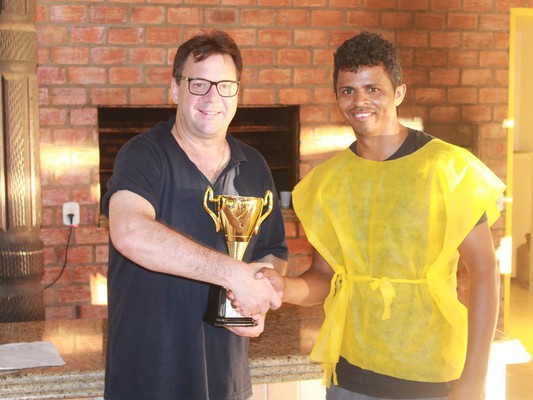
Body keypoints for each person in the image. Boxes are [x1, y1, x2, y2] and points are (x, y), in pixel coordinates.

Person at [256, 31, 505, 400]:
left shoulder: (448, 168)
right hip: (349, 374)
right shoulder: (328, 182)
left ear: (398, 92)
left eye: (373, 88)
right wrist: (283, 287)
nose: (360, 101)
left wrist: (474, 379)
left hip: (430, 373)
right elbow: (324, 276)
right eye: (348, 90)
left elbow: (484, 271)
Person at [101, 30, 288, 400]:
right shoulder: (143, 154)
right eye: (199, 84)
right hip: (148, 380)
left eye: (225, 86)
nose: (212, 98)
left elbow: (272, 251)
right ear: (175, 89)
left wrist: (260, 296)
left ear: (238, 93)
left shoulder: (254, 165)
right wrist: (234, 274)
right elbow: (130, 232)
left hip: (226, 379)